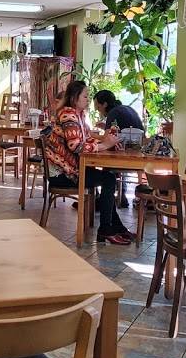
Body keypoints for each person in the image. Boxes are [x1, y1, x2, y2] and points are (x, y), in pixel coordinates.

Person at [45, 79, 133, 245]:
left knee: (108, 177)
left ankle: (115, 227)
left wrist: (107, 142)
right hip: (62, 174)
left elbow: (86, 138)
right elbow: (75, 146)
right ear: (74, 98)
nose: (88, 99)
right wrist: (104, 145)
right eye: (85, 96)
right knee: (109, 179)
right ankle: (106, 229)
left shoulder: (78, 115)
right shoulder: (68, 115)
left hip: (71, 169)